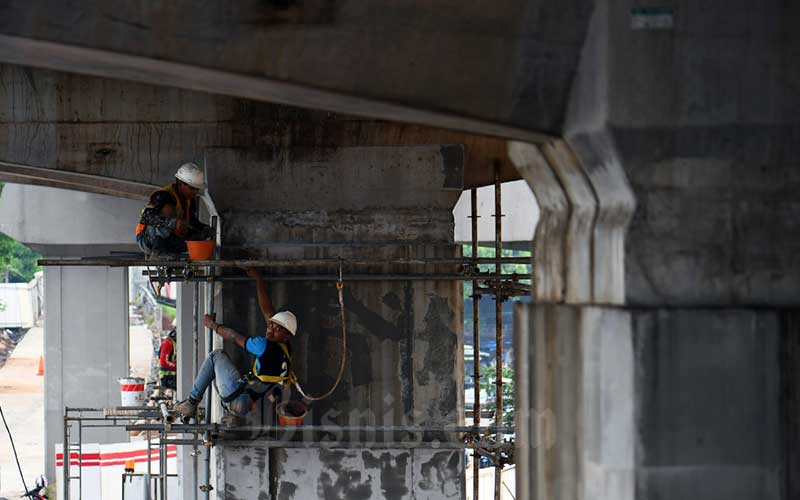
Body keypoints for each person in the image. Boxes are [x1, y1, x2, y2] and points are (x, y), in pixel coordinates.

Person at [173, 269, 297, 425]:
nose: (270, 329)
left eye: (277, 328)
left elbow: (234, 337)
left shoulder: (263, 344)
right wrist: (258, 278)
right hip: (245, 405)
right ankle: (232, 416)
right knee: (216, 374)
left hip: (237, 398)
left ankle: (191, 403)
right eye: (271, 325)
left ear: (285, 335)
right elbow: (268, 311)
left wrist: (212, 325)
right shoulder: (286, 350)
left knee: (215, 357)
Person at [135, 162, 213, 257]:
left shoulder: (189, 200)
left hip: (170, 239)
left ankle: (169, 252)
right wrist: (173, 222)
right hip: (147, 240)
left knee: (196, 236)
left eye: (197, 189)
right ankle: (158, 252)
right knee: (169, 210)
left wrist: (205, 229)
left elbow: (192, 222)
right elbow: (146, 217)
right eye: (192, 188)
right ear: (180, 184)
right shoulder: (163, 195)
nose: (195, 192)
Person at [158, 322, 178, 391]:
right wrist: (178, 367)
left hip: (175, 377)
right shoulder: (168, 343)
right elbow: (164, 362)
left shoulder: (176, 343)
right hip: (168, 378)